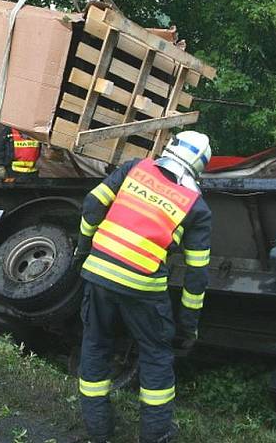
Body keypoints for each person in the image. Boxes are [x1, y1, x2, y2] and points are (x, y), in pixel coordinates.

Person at [74, 131, 213, 443]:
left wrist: (83, 250)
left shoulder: (134, 169)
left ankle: (99, 433)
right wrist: (187, 327)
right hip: (143, 288)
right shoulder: (197, 207)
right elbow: (196, 276)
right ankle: (156, 436)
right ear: (198, 167)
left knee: (95, 345)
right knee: (156, 357)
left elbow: (91, 206)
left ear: (170, 148)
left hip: (99, 271)